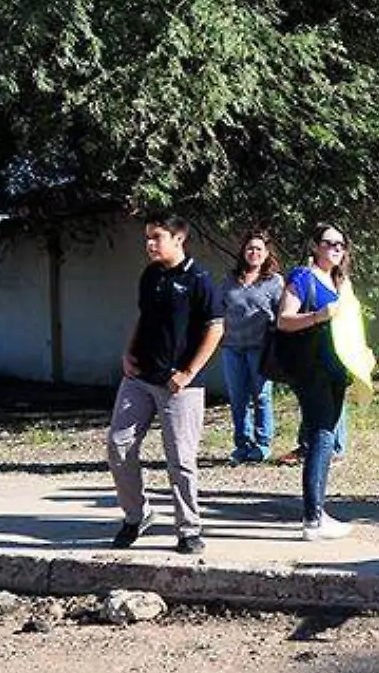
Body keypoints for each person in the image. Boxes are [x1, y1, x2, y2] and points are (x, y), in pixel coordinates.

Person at [104, 213, 224, 555]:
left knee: (180, 459)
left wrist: (187, 372)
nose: (150, 244)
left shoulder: (199, 279)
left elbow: (216, 328)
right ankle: (136, 515)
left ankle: (189, 528)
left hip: (180, 385)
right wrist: (128, 353)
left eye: (157, 237)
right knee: (118, 445)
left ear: (178, 239)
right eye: (148, 238)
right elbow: (143, 316)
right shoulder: (150, 275)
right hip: (140, 377)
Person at [275, 222, 361, 540]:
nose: (337, 248)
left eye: (341, 243)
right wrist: (319, 315)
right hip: (312, 369)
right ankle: (313, 519)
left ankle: (318, 512)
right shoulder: (302, 276)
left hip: (336, 369)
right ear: (315, 246)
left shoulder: (340, 281)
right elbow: (284, 320)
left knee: (325, 436)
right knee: (322, 437)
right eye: (330, 243)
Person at [220, 229, 283, 464]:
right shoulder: (229, 279)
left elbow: (281, 314)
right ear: (243, 252)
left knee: (262, 397)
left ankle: (262, 443)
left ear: (266, 254)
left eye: (258, 249)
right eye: (250, 248)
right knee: (238, 398)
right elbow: (218, 308)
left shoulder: (274, 282)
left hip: (261, 348)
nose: (254, 252)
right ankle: (242, 444)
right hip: (232, 347)